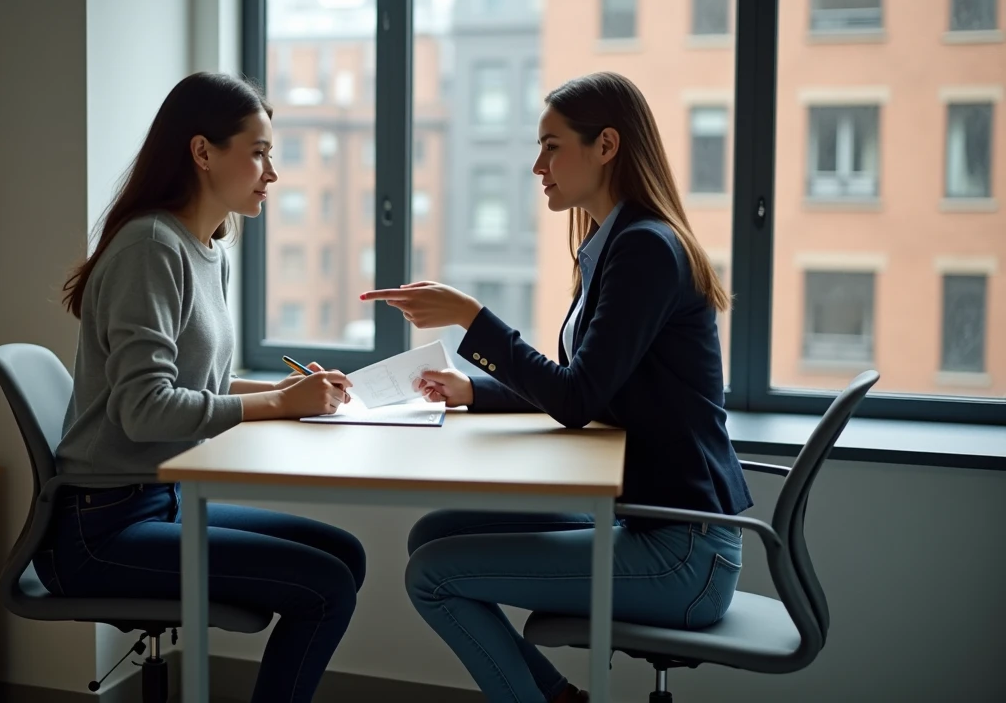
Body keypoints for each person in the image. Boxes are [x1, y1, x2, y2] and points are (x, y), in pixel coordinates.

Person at [361, 72, 753, 703]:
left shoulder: (646, 249)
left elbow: (576, 402)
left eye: (551, 146)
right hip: (656, 523)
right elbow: (588, 385)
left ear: (605, 145)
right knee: (431, 536)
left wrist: (470, 316)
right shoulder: (614, 243)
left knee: (432, 575)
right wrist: (474, 391)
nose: (536, 165)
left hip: (684, 552)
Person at [37, 72, 365, 703]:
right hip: (101, 528)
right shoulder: (150, 249)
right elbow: (144, 410)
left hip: (161, 501)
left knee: (344, 555)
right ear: (203, 152)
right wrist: (276, 404)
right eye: (260, 152)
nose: (272, 173)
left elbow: (202, 386)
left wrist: (290, 395)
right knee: (325, 586)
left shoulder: (208, 247)